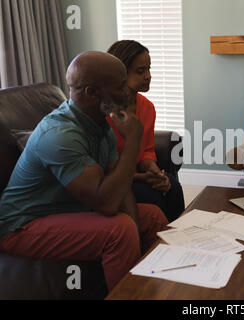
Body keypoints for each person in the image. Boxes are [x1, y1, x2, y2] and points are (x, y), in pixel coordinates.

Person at [0, 51, 168, 292]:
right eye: (121, 85)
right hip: (23, 225)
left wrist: (136, 232)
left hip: (69, 209)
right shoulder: (60, 135)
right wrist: (133, 141)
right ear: (92, 92)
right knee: (119, 230)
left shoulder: (100, 125)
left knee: (151, 216)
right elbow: (107, 203)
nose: (127, 91)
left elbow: (118, 188)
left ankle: (164, 287)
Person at [106, 40, 185, 222]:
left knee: (171, 185)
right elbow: (105, 168)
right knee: (151, 196)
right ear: (120, 73)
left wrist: (156, 173)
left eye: (149, 69)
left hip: (137, 175)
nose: (148, 76)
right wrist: (143, 178)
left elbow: (147, 151)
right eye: (140, 71)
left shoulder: (147, 107)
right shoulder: (103, 111)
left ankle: (179, 239)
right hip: (114, 181)